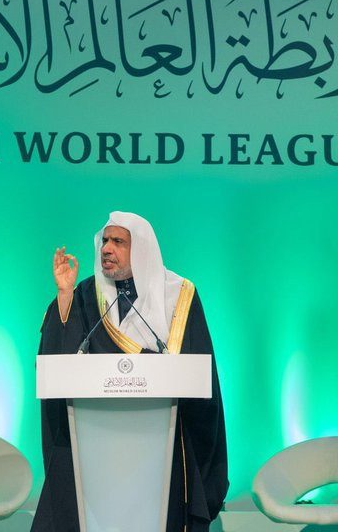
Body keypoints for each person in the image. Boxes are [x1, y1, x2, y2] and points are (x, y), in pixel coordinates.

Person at [31, 211, 228, 532]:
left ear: (142, 249)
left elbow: (200, 372)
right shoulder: (85, 294)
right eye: (105, 241)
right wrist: (65, 295)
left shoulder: (179, 295)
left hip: (162, 442)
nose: (107, 249)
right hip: (95, 443)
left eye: (118, 242)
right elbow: (58, 360)